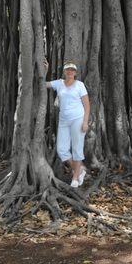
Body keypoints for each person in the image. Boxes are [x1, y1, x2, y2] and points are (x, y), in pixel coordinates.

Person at [45, 59, 90, 187]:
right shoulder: (59, 83)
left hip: (78, 119)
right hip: (64, 121)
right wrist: (45, 71)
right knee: (61, 149)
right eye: (68, 69)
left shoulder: (80, 85)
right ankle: (79, 170)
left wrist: (85, 121)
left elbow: (87, 104)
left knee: (77, 148)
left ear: (75, 72)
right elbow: (43, 84)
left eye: (72, 70)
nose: (70, 72)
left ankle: (75, 178)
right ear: (64, 71)